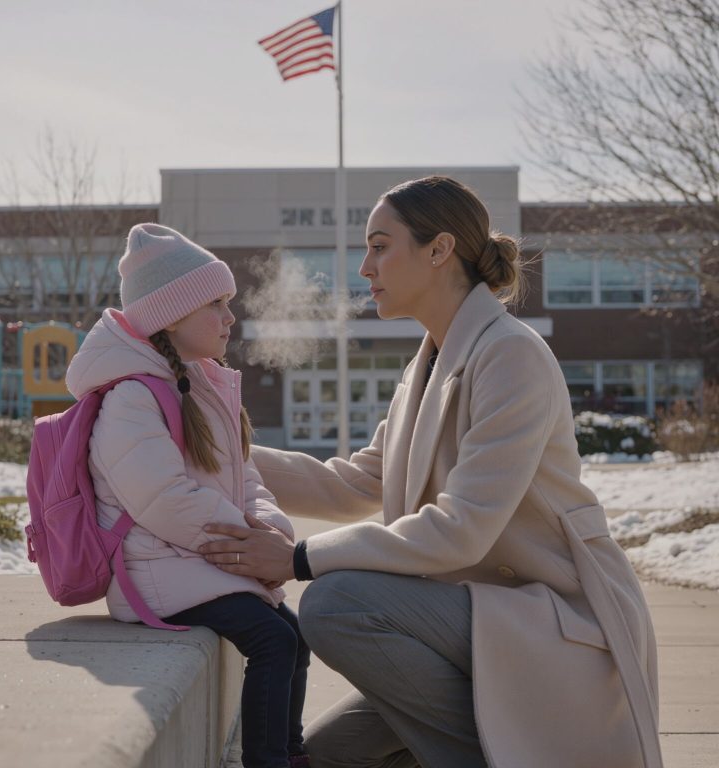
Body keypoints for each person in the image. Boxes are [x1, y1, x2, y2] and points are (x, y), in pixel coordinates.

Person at [198, 176, 663, 768]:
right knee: (330, 757)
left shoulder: (511, 354)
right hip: (477, 625)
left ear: (440, 249)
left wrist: (298, 559)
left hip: (553, 623)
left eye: (380, 246)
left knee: (335, 603)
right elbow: (353, 484)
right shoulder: (429, 364)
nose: (365, 267)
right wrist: (216, 452)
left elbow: (461, 529)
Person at [64, 223, 311, 768]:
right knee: (273, 641)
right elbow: (164, 500)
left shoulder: (204, 386)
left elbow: (246, 478)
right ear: (171, 316)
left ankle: (291, 754)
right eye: (216, 304)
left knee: (295, 634)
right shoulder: (131, 397)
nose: (230, 317)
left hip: (193, 562)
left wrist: (270, 530)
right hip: (155, 572)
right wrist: (246, 547)